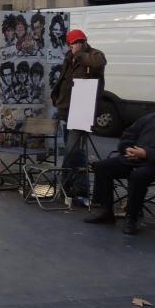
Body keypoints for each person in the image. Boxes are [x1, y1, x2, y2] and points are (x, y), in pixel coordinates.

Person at [84, 87, 155, 235]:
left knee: (138, 175)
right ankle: (105, 211)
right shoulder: (151, 117)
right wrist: (128, 149)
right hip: (135, 158)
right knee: (102, 167)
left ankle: (131, 218)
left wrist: (146, 153)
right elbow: (128, 134)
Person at [51, 28, 107, 196]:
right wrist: (57, 97)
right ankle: (78, 187)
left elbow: (98, 64)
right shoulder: (69, 57)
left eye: (74, 43)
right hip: (66, 106)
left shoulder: (95, 54)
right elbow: (64, 78)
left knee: (72, 148)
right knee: (75, 149)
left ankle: (67, 185)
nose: (71, 47)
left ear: (82, 43)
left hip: (82, 107)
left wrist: (80, 54)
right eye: (70, 44)